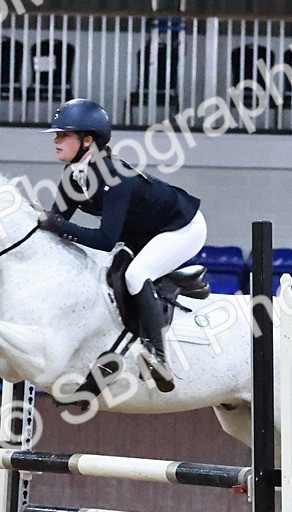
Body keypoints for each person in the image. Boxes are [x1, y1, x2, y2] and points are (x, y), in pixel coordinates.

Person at [36, 98, 206, 389]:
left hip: (182, 228)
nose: (56, 140)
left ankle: (159, 358)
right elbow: (54, 224)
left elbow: (104, 240)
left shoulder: (113, 174)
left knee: (136, 275)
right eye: (56, 134)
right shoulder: (73, 176)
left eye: (63, 134)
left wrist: (57, 224)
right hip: (144, 235)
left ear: (88, 140)